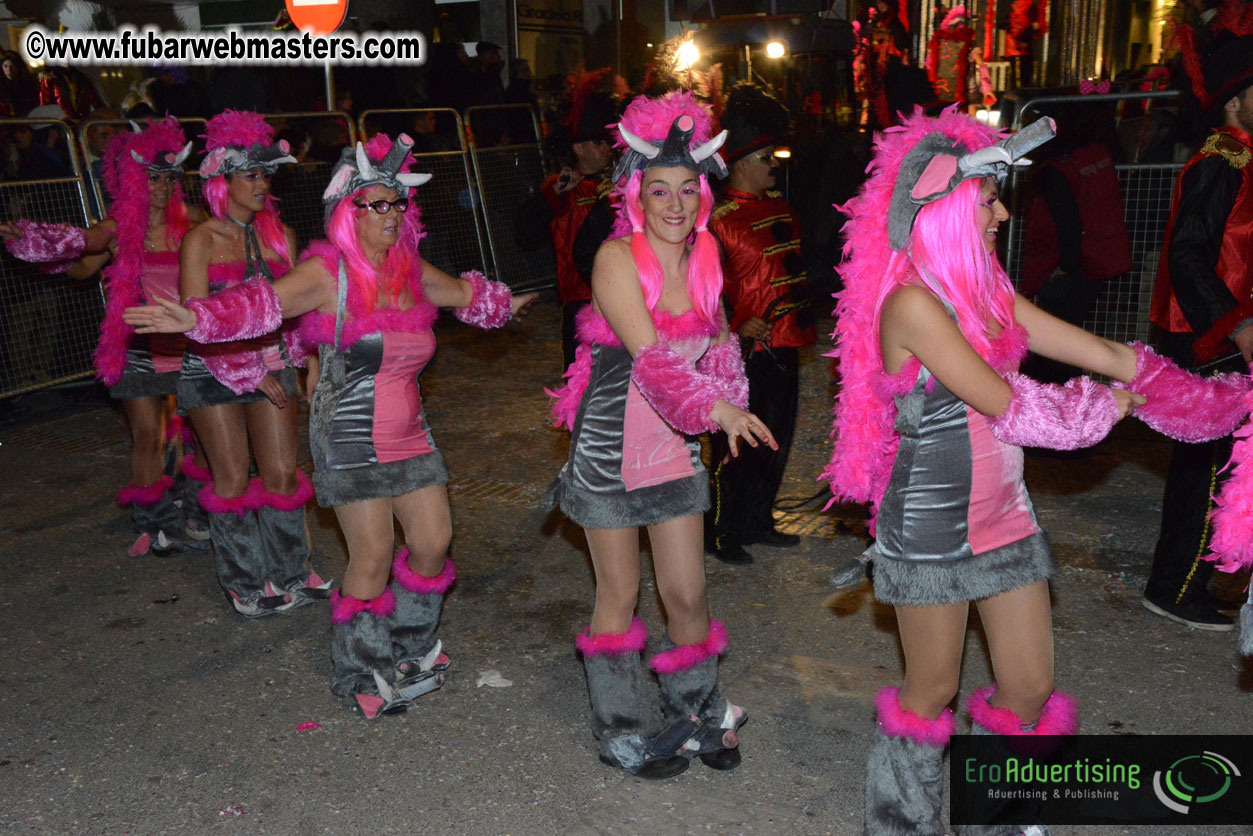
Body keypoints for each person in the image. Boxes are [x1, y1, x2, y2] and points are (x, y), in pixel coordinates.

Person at [822, 108, 1247, 835]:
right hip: (929, 527)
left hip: (1004, 515)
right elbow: (1005, 405)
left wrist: (1219, 401)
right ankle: (899, 823)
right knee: (930, 692)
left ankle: (995, 816)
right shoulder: (911, 307)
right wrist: (1107, 409)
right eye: (987, 196)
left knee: (1027, 689)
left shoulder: (989, 296)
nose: (999, 210)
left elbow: (1110, 355)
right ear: (944, 203)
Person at [125, 133, 536, 719]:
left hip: (412, 433)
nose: (390, 216)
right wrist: (194, 315)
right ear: (348, 212)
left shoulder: (410, 270)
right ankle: (360, 670)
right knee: (370, 554)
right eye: (374, 205)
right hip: (347, 435)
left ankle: (412, 648)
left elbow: (466, 294)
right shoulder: (327, 273)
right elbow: (259, 305)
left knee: (432, 542)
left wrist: (506, 302)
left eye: (397, 204)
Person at [546, 91, 775, 779]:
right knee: (617, 592)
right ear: (635, 195)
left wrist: (731, 402)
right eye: (658, 190)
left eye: (686, 188)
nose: (674, 203)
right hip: (612, 448)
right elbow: (649, 361)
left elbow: (719, 349)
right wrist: (719, 414)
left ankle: (697, 711)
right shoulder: (617, 259)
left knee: (685, 592)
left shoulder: (706, 256)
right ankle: (618, 727)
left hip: (675, 445)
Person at [1, 117, 209, 556]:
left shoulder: (195, 222)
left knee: (200, 431)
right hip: (137, 346)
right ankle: (154, 522)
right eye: (152, 178)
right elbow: (84, 255)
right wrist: (40, 244)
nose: (162, 187)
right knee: (149, 434)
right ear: (135, 179)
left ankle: (196, 509)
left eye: (169, 178)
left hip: (189, 343)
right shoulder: (120, 226)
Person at [180, 109, 327, 619]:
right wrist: (249, 370)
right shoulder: (200, 239)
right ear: (222, 181)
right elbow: (196, 322)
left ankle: (291, 571)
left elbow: (300, 306)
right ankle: (244, 580)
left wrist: (306, 361)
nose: (262, 183)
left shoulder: (281, 235)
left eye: (266, 174)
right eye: (251, 174)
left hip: (274, 365)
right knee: (233, 478)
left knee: (284, 473)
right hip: (210, 370)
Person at [1145, 16, 1253, 631]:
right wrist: (1235, 326)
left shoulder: (1245, 161)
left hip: (1225, 332)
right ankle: (1174, 587)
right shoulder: (1223, 159)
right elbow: (1189, 254)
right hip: (1209, 337)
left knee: (1221, 467)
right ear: (1236, 101)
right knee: (1202, 467)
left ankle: (1191, 580)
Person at [705, 82, 815, 565]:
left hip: (787, 344)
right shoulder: (715, 219)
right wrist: (735, 320)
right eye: (768, 157)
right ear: (743, 162)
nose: (776, 165)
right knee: (734, 444)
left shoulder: (782, 207)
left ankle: (757, 520)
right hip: (740, 353)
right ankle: (721, 530)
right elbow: (700, 289)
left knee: (776, 438)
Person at [521, 68, 622, 371]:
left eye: (608, 142)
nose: (607, 149)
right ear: (578, 148)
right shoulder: (561, 185)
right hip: (580, 298)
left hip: (621, 293)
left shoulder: (619, 183)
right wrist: (552, 194)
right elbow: (526, 232)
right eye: (598, 143)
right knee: (579, 377)